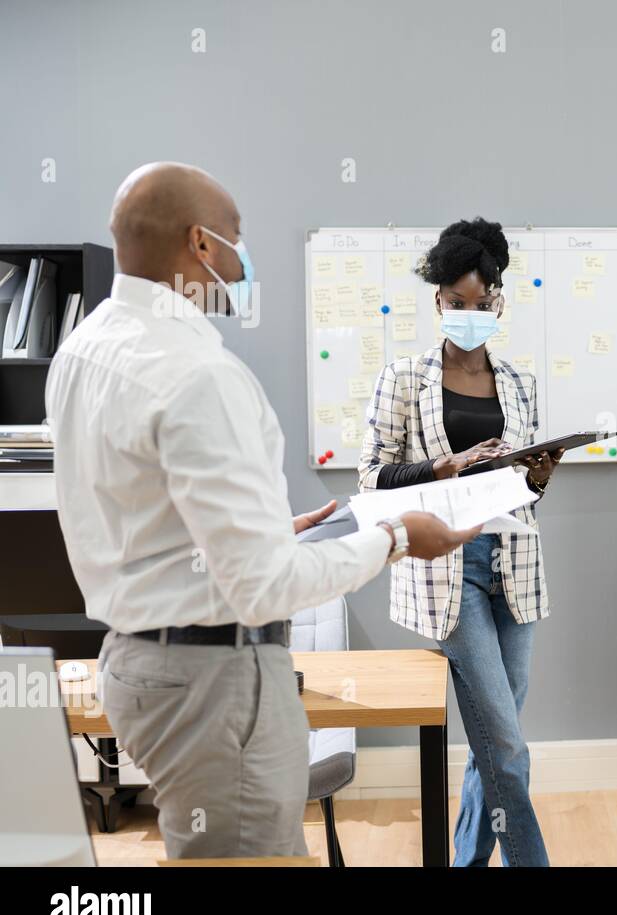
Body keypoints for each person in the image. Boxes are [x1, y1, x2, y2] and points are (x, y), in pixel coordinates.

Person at [44, 162, 478, 860]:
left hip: (134, 667)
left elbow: (142, 513)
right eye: (236, 234)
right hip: (215, 683)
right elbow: (266, 586)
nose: (244, 255)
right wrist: (397, 537)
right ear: (201, 243)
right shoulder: (198, 373)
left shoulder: (82, 352)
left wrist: (267, 533)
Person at [358, 217, 562, 867]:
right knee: (506, 747)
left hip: (514, 564)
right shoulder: (403, 379)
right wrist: (444, 467)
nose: (469, 314)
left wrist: (537, 477)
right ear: (438, 300)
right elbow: (371, 475)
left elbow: (523, 493)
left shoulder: (520, 384)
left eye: (482, 302)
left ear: (498, 302)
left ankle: (467, 862)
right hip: (448, 568)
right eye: (456, 302)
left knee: (490, 741)